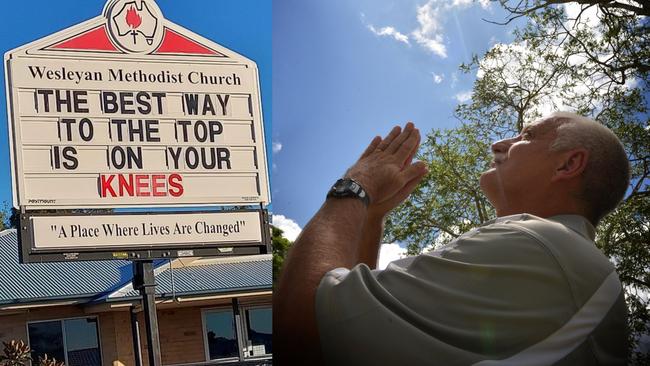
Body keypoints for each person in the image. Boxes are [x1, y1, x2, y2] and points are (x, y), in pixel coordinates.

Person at [274, 112, 630, 365]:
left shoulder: (541, 243)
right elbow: (357, 328)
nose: (499, 143)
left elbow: (304, 325)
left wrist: (357, 185)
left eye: (527, 135)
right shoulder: (558, 256)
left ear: (567, 165)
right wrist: (372, 218)